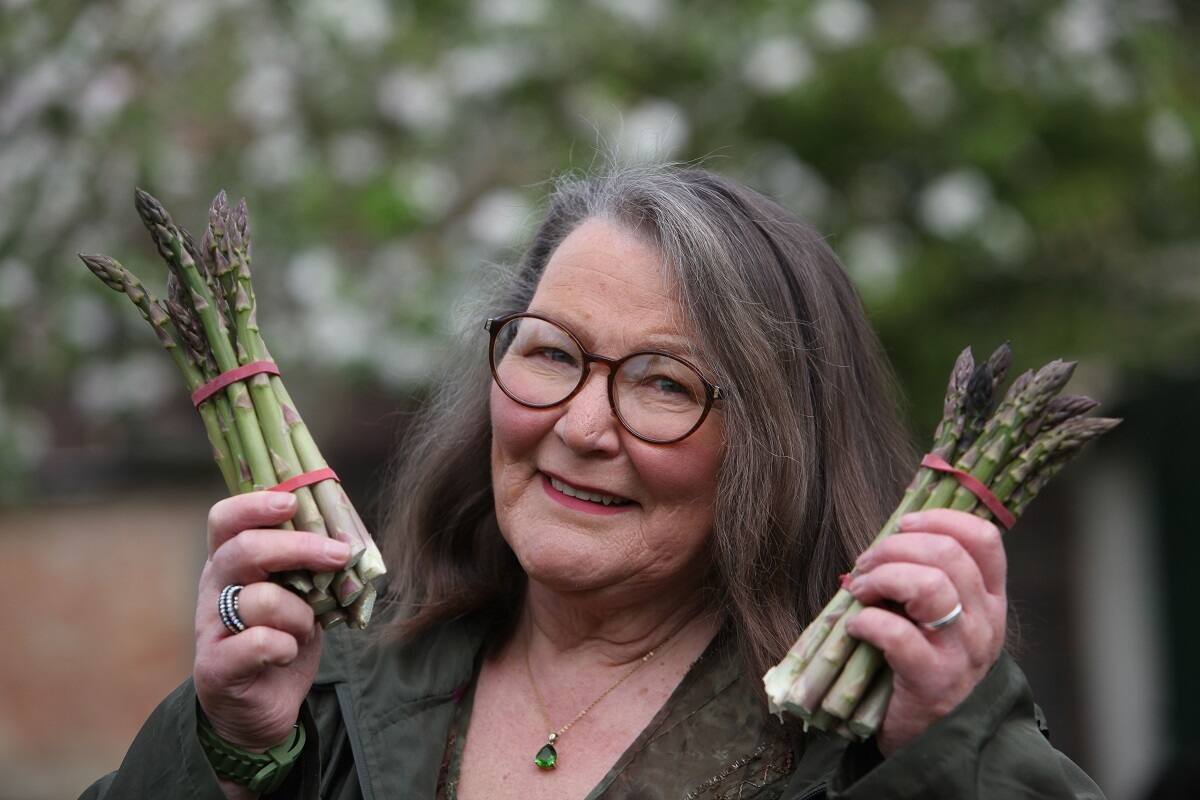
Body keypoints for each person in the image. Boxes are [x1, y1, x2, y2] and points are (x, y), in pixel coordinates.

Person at [80, 166, 1105, 799]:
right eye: (551, 352)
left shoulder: (856, 748)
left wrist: (956, 756)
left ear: (775, 445)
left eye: (661, 382)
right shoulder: (337, 691)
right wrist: (227, 749)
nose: (578, 425)